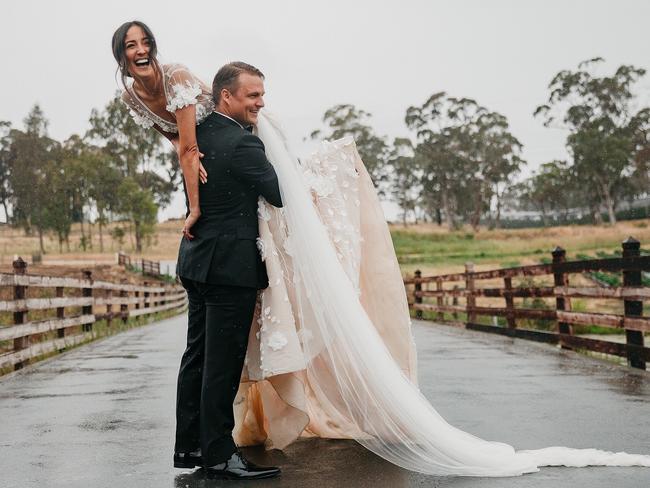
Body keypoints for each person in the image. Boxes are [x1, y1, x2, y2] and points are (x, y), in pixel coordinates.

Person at [112, 20, 650, 477]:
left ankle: (188, 445)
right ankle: (216, 455)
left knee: (195, 354)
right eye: (252, 95)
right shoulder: (244, 144)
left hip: (196, 260)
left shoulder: (202, 139)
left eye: (262, 95)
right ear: (224, 96)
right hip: (229, 266)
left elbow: (186, 154)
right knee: (220, 365)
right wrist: (321, 176)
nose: (260, 104)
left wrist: (196, 209)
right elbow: (280, 194)